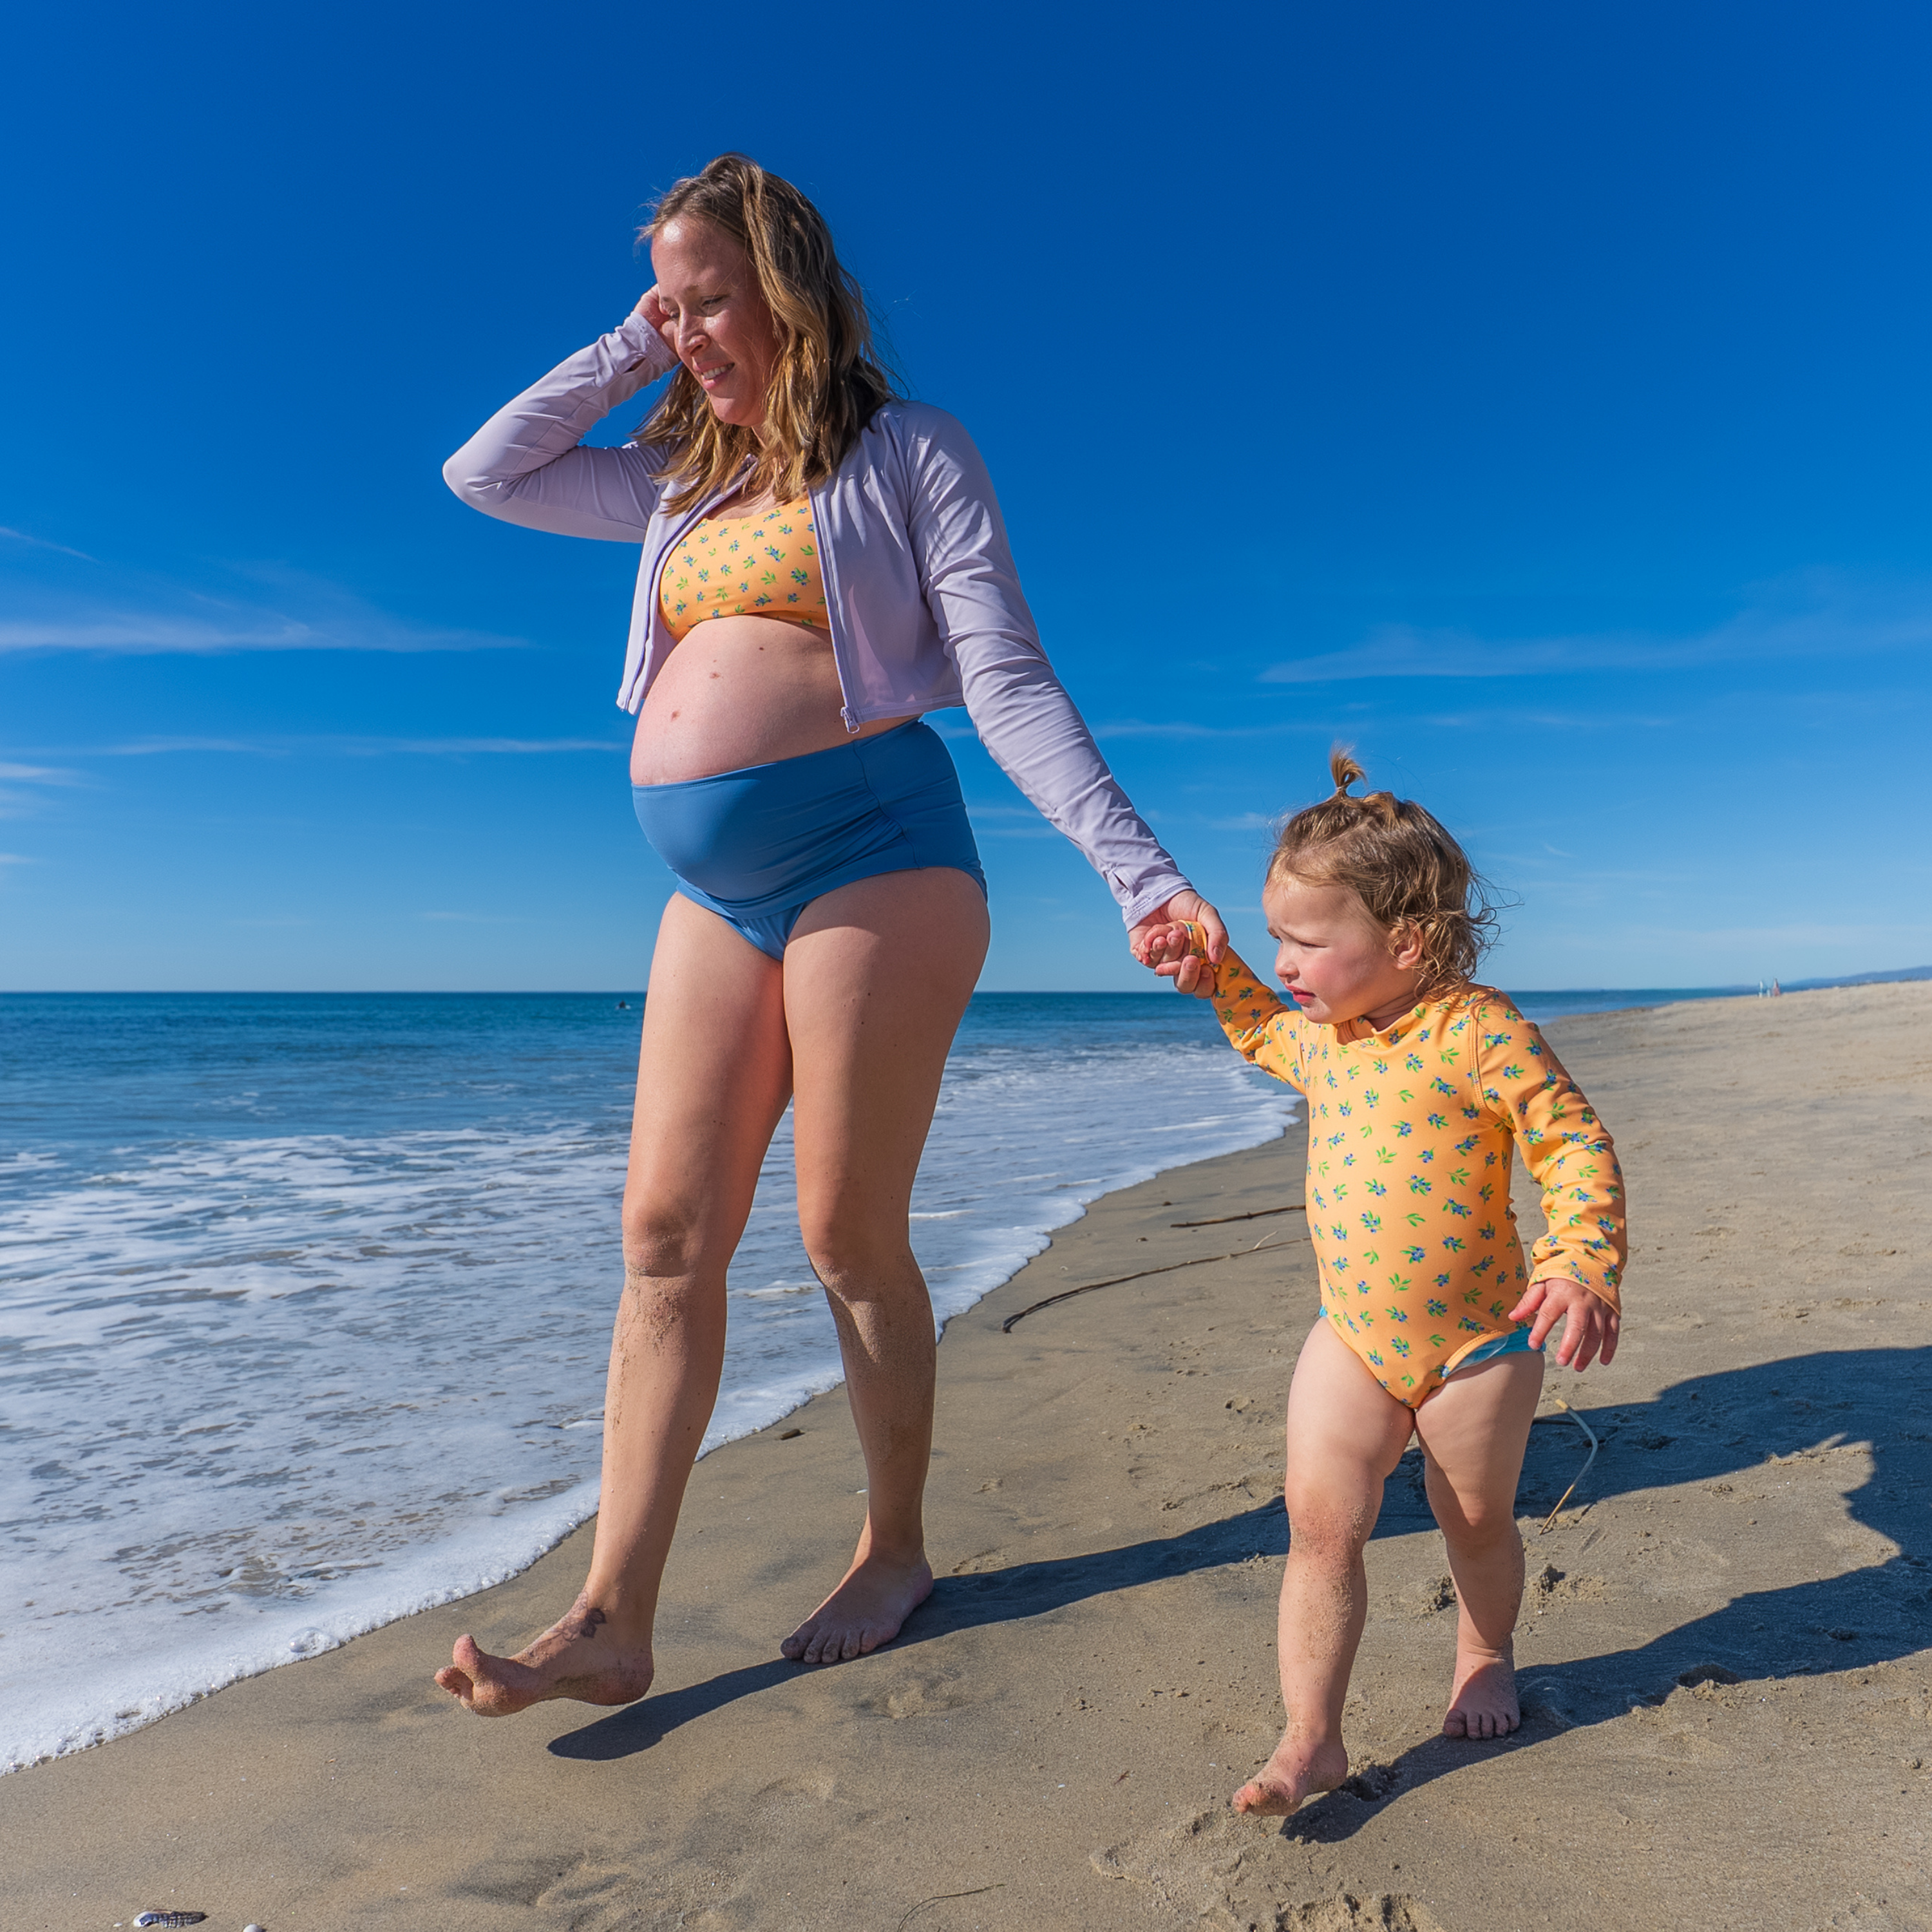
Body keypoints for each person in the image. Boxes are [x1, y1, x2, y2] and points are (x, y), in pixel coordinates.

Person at [433, 155, 1224, 1714]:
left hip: (880, 851)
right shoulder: (674, 481)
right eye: (670, 297)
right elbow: (487, 475)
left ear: (789, 290)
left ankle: (895, 1544)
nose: (689, 325)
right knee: (662, 1236)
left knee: (842, 1231)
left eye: (709, 295)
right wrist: (631, 344)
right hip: (715, 896)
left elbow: (1002, 677)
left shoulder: (910, 452)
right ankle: (611, 1614)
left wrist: (1139, 875)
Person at [1140, 750, 1625, 1813]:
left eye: (1306, 942)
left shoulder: (1478, 1030)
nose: (1285, 963)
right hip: (1352, 1337)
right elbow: (1261, 1030)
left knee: (1477, 1523)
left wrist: (1582, 1260)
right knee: (1320, 1527)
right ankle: (1310, 1736)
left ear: (1404, 940)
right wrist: (1210, 970)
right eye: (1275, 939)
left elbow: (1572, 1143)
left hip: (1478, 1347)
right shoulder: (1324, 1039)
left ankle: (1483, 1653)